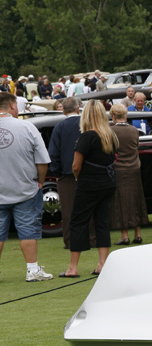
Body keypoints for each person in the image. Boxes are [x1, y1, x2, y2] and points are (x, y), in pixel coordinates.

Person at [61, 100, 118, 277]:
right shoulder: (110, 135)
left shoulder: (86, 137)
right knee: (102, 222)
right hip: (108, 183)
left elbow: (76, 166)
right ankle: (102, 264)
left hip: (89, 184)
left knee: (78, 222)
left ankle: (73, 267)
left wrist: (78, 178)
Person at [0, 91, 53, 281]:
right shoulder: (27, 127)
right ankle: (32, 270)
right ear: (13, 106)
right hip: (25, 189)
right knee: (27, 231)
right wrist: (40, 180)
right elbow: (42, 161)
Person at [108, 104, 148, 245]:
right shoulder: (133, 130)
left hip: (118, 169)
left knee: (119, 202)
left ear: (113, 116)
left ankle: (124, 235)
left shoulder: (110, 131)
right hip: (134, 168)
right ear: (126, 115)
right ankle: (137, 233)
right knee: (136, 199)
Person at [46, 96, 83, 249]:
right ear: (77, 108)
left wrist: (57, 173)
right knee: (88, 207)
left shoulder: (59, 127)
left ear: (63, 110)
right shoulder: (86, 124)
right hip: (87, 173)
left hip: (66, 175)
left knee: (68, 210)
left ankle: (70, 240)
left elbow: (53, 153)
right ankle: (91, 237)